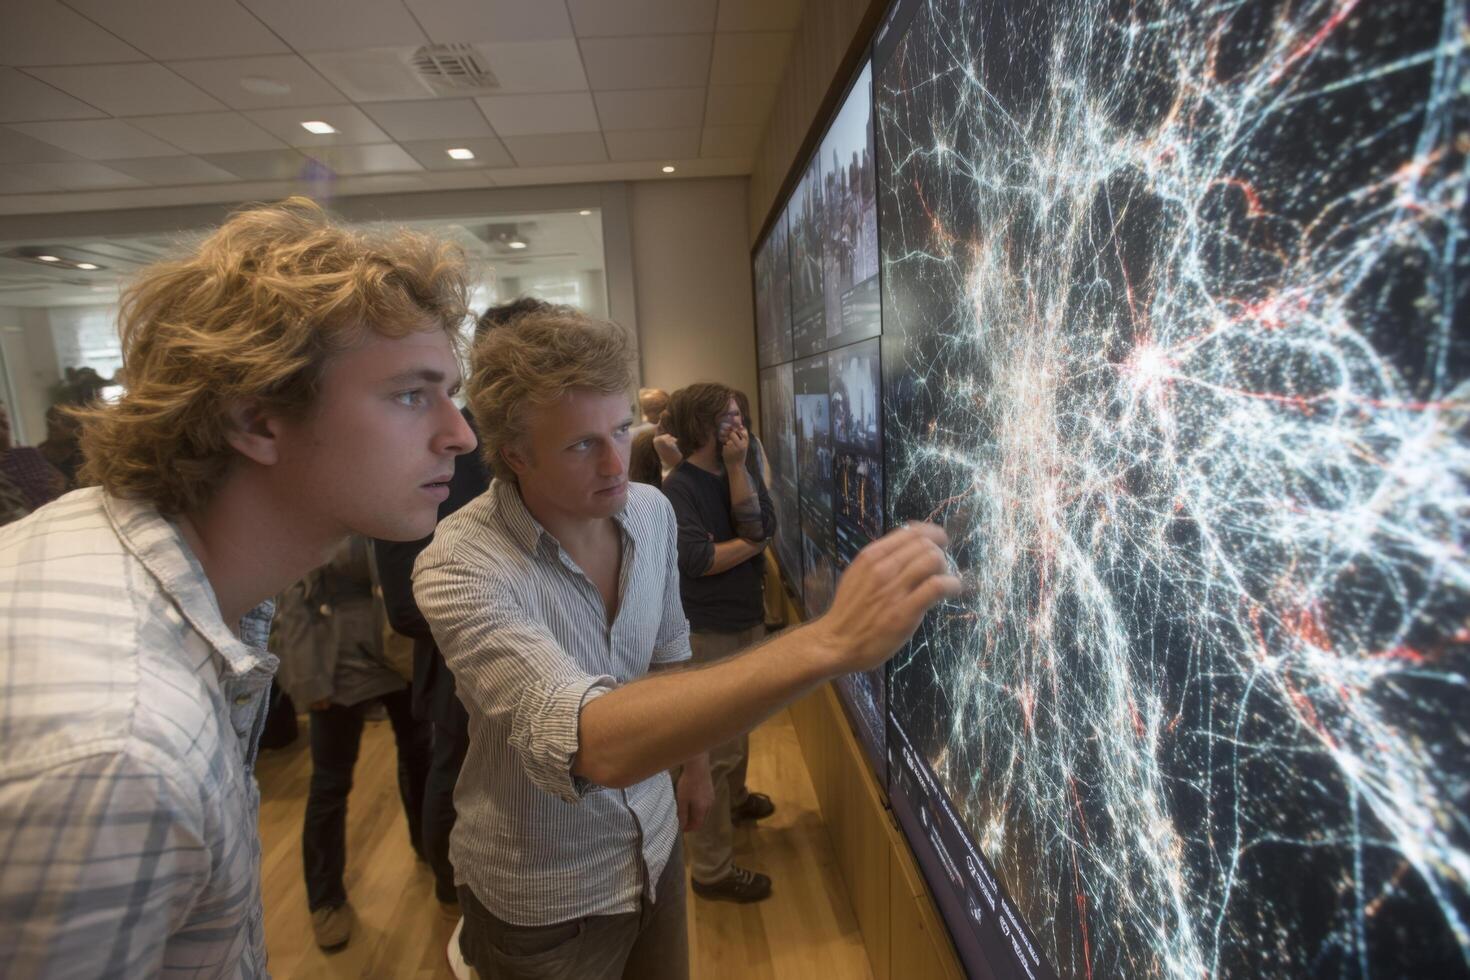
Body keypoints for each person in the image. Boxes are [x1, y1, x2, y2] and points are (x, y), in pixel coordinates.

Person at [0, 196, 475, 978]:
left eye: (450, 392)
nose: (460, 433)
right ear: (256, 421)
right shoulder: (120, 751)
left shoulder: (145, 557)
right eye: (410, 394)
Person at [412, 308, 959, 980]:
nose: (617, 463)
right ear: (515, 454)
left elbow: (671, 649)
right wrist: (831, 640)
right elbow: (585, 741)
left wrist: (696, 766)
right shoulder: (460, 562)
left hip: (655, 849)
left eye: (620, 430)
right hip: (544, 897)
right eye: (582, 445)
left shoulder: (649, 510)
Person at [373, 296, 549, 928]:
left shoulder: (547, 455)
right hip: (459, 682)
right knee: (453, 793)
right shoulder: (435, 455)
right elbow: (404, 603)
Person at [272, 535, 432, 951]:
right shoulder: (321, 504)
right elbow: (292, 596)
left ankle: (428, 848)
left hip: (398, 650)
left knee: (419, 758)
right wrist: (308, 680)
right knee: (330, 783)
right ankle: (325, 899)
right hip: (336, 661)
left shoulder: (393, 502)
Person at [661, 383, 778, 902]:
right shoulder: (679, 487)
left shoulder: (740, 469)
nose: (739, 426)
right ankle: (712, 871)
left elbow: (762, 528)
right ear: (703, 426)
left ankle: (734, 803)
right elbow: (698, 561)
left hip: (745, 619)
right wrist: (746, 546)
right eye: (728, 417)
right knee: (713, 751)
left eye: (739, 415)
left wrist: (736, 471)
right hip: (707, 630)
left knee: (741, 729)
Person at [0, 400, 65, 510]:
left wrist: (62, 485)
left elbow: (58, 484)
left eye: (4, 419)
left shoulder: (29, 454)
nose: (6, 426)